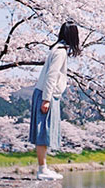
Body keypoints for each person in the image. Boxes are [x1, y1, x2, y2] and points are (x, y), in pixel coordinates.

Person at [28, 21, 80, 181]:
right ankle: (42, 169)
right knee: (43, 131)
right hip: (46, 94)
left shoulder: (56, 49)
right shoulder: (60, 52)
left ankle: (43, 167)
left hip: (45, 93)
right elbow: (52, 75)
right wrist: (46, 99)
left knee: (44, 131)